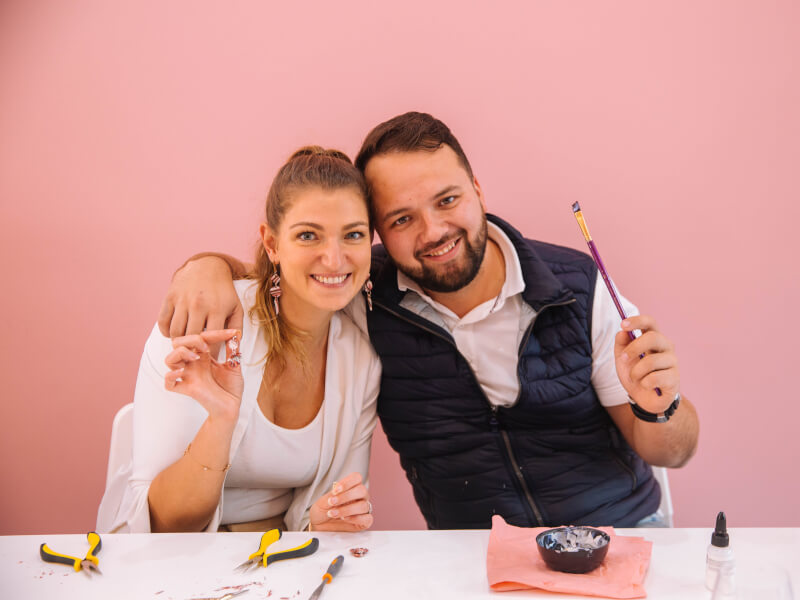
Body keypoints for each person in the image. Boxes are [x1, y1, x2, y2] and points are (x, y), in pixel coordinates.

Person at [157, 113, 700, 529]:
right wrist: (206, 266)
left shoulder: (579, 287)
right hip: (472, 562)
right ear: (378, 236)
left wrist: (661, 407)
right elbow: (297, 272)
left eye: (447, 200)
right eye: (401, 219)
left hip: (621, 538)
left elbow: (674, 451)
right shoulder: (367, 298)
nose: (434, 231)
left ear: (477, 190)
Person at [97, 147, 380, 533]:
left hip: (280, 569)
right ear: (272, 244)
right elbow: (164, 525)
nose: (333, 259)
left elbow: (327, 511)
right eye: (308, 235)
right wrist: (221, 420)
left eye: (353, 234)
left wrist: (327, 518)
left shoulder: (361, 358)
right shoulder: (205, 321)